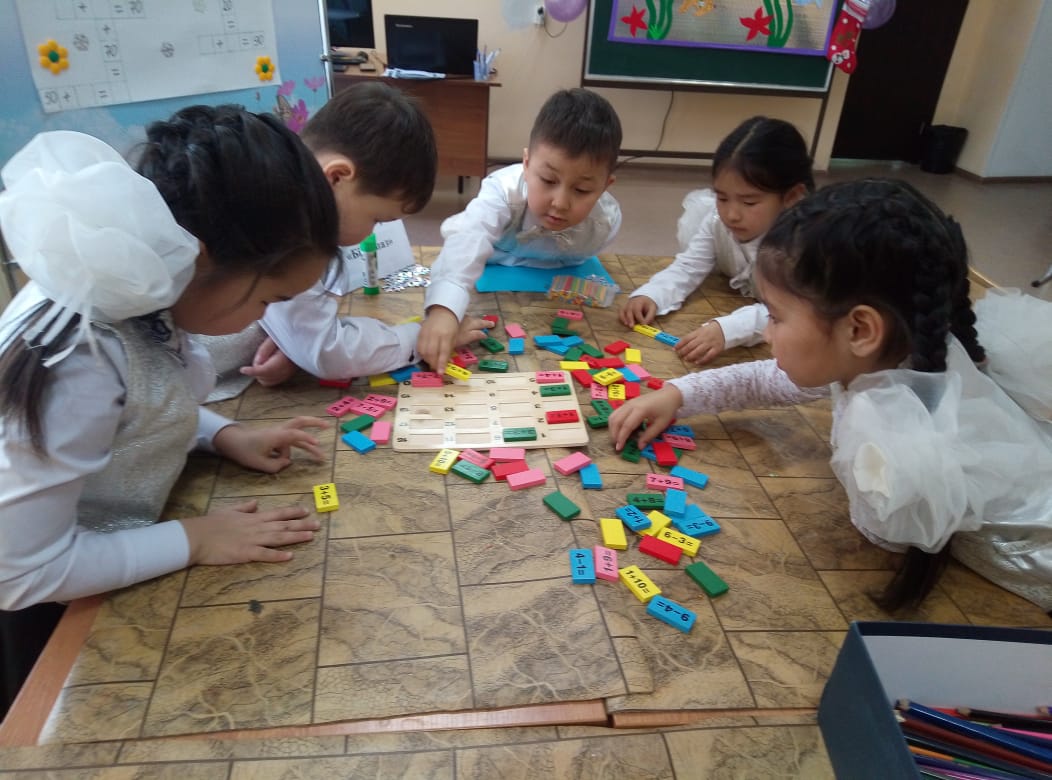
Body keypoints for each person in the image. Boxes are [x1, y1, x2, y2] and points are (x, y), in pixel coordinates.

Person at [0, 105, 340, 715]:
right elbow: (23, 573)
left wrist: (221, 433)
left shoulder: (138, 284)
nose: (266, 317)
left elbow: (144, 394)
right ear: (201, 258)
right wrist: (195, 538)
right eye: (268, 298)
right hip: (55, 623)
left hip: (101, 572)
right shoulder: (78, 363)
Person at [610, 178, 1052, 614]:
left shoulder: (893, 434)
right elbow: (769, 379)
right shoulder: (893, 351)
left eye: (776, 317)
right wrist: (678, 393)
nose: (766, 333)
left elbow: (884, 532)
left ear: (859, 329)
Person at [232, 82, 488, 390]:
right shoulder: (289, 234)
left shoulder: (283, 191)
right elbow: (329, 353)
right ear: (337, 177)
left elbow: (310, 337)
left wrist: (293, 345)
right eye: (377, 219)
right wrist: (421, 338)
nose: (372, 232)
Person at [416, 88, 623, 371]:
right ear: (526, 165)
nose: (560, 203)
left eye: (582, 190)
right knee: (465, 236)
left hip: (559, 269)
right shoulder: (502, 192)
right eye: (548, 180)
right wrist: (444, 309)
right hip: (493, 255)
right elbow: (469, 239)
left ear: (605, 187)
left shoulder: (605, 223)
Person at [619, 116, 813, 365]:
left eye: (749, 202)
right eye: (722, 198)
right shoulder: (716, 221)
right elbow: (688, 266)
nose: (731, 214)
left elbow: (793, 309)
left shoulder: (806, 242)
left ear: (791, 196)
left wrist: (727, 330)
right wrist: (652, 294)